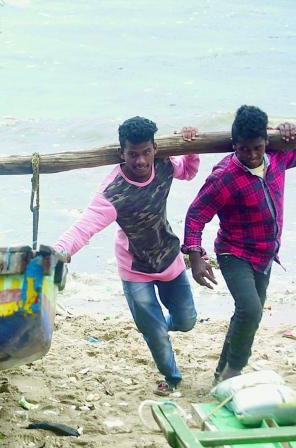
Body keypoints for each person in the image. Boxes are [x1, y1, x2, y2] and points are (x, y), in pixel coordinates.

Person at [53, 117, 200, 396]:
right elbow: (84, 225)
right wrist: (60, 251)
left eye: (146, 152)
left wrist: (190, 145)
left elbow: (189, 171)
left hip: (169, 257)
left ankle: (158, 326)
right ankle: (171, 376)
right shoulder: (113, 192)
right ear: (122, 153)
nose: (141, 161)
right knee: (155, 333)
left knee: (186, 321)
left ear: (155, 148)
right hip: (135, 269)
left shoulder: (165, 164)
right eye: (133, 154)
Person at [183, 105, 296, 383]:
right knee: (251, 309)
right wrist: (196, 257)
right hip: (234, 252)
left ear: (267, 142)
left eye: (258, 148)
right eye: (245, 149)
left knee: (247, 315)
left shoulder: (278, 157)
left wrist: (289, 126)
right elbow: (196, 215)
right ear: (235, 146)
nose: (252, 155)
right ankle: (236, 368)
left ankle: (222, 374)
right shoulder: (226, 176)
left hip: (266, 254)